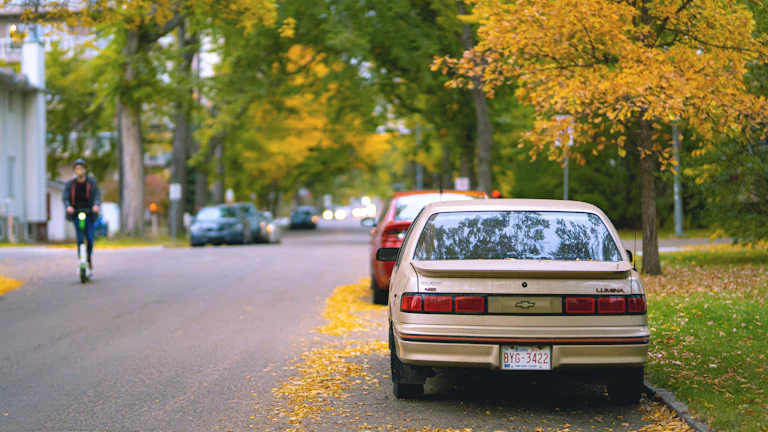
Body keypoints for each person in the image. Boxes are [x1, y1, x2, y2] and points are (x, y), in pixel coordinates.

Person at [62, 159, 101, 275]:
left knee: (89, 238)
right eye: (77, 168)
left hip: (89, 213)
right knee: (80, 238)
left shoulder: (91, 183)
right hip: (76, 213)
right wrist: (68, 206)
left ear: (85, 169)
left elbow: (97, 196)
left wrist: (96, 205)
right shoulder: (70, 184)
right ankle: (81, 259)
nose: (79, 171)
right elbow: (65, 197)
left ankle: (88, 257)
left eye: (81, 168)